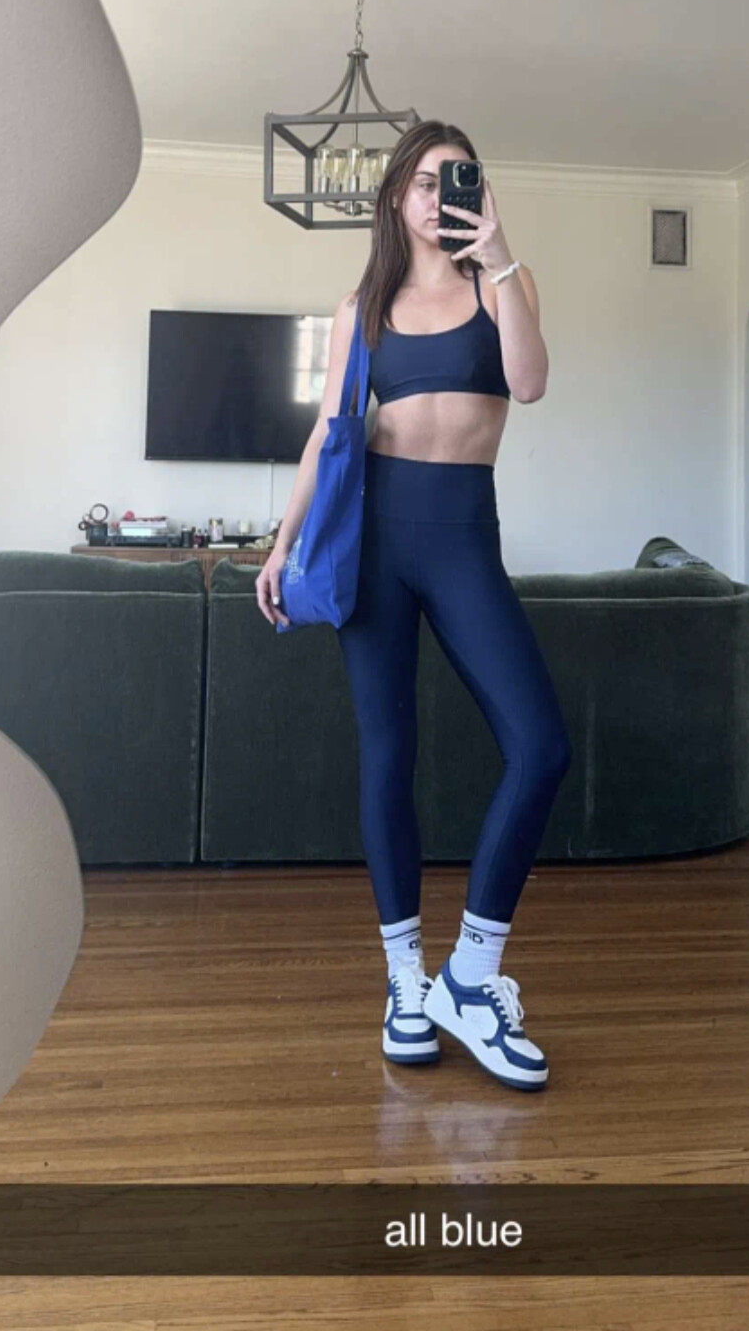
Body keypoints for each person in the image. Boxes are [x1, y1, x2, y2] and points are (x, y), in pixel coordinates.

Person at [256, 120, 572, 1091]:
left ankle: (469, 976)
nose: (440, 197)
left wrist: (502, 256)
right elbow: (328, 432)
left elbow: (530, 384)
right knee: (388, 757)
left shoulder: (502, 284)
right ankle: (405, 985)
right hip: (377, 543)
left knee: (542, 746)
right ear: (397, 195)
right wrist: (282, 543)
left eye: (457, 179)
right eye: (426, 182)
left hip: (464, 536)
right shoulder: (363, 308)